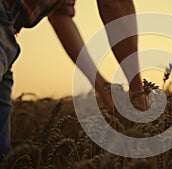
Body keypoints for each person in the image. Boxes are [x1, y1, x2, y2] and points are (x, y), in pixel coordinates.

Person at [0, 0, 147, 155]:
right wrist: (137, 89)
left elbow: (59, 15)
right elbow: (115, 4)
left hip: (8, 34)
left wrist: (100, 84)